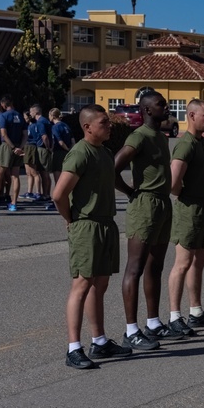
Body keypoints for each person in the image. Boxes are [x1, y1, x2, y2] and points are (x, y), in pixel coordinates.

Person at [53, 105, 130, 368]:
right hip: (86, 225)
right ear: (87, 127)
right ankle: (74, 348)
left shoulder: (105, 153)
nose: (109, 126)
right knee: (82, 285)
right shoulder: (79, 153)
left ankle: (99, 341)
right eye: (103, 123)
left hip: (106, 224)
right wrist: (70, 220)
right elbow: (58, 194)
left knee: (100, 284)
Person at [114, 92, 180, 350]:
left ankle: (153, 322)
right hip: (146, 205)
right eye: (161, 104)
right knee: (135, 267)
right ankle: (131, 330)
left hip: (162, 204)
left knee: (156, 266)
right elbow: (114, 166)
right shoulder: (138, 136)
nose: (166, 107)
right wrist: (130, 192)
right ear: (147, 110)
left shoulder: (160, 136)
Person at [166, 100, 204, 338]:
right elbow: (173, 182)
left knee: (199, 260)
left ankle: (196, 311)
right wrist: (185, 196)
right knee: (183, 262)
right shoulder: (185, 145)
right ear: (191, 115)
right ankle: (174, 316)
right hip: (189, 208)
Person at [0, 96, 27, 212]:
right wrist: (20, 147)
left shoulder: (4, 116)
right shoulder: (19, 115)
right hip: (19, 145)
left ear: (3, 104)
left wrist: (13, 148)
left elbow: (3, 134)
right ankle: (14, 203)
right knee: (15, 175)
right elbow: (25, 134)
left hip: (8, 146)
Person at [50, 109, 74, 183]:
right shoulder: (65, 125)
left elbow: (60, 142)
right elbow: (73, 140)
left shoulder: (55, 127)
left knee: (57, 173)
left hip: (58, 152)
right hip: (67, 152)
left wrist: (66, 149)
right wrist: (70, 150)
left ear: (53, 116)